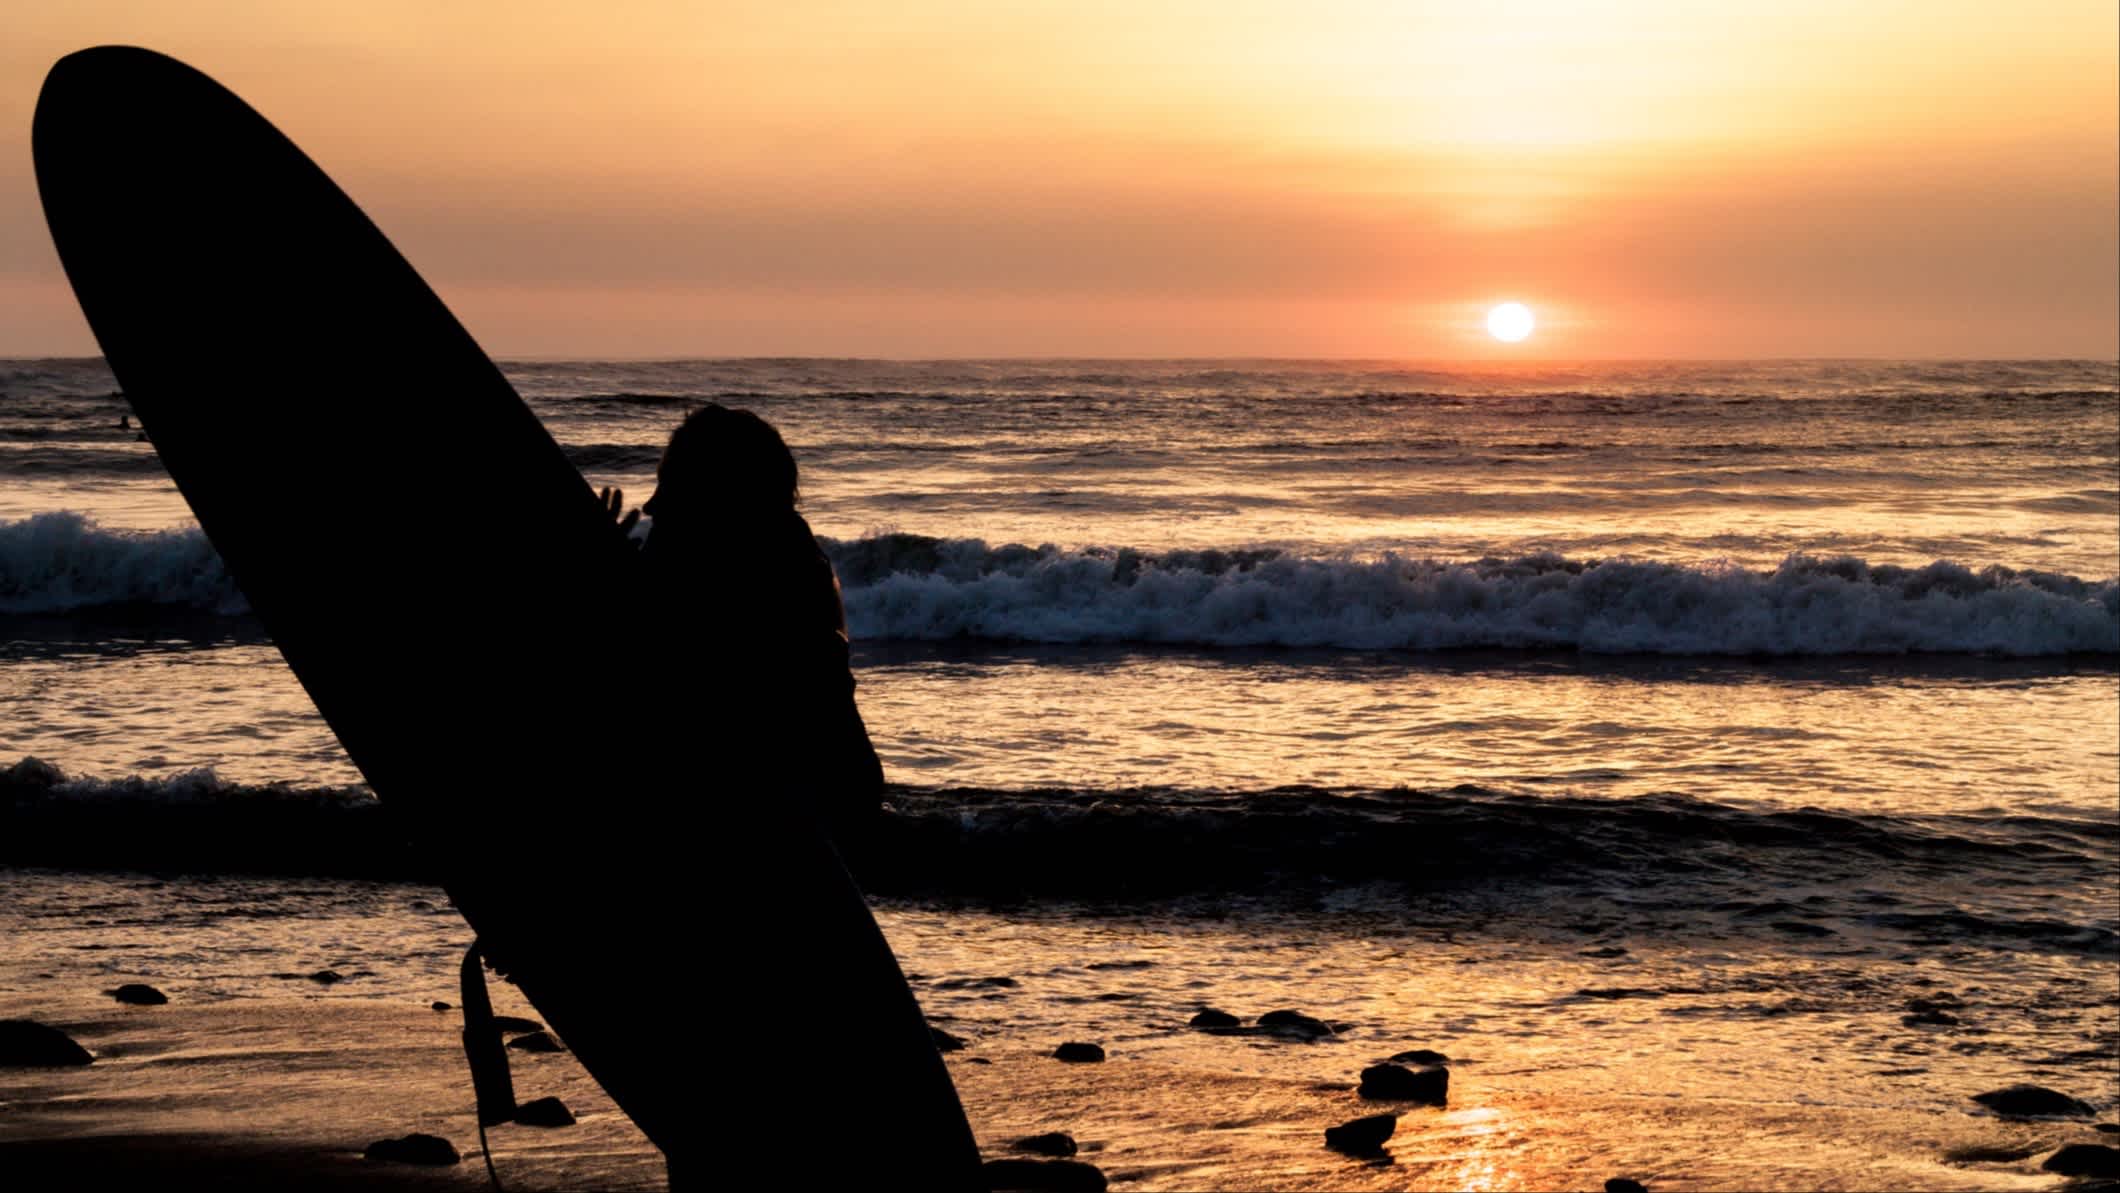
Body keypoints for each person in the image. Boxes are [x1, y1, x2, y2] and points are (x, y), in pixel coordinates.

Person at [602, 404, 885, 843]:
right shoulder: (772, 554)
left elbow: (679, 664)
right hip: (823, 791)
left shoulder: (775, 573)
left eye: (674, 489)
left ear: (723, 501)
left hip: (809, 802)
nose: (655, 507)